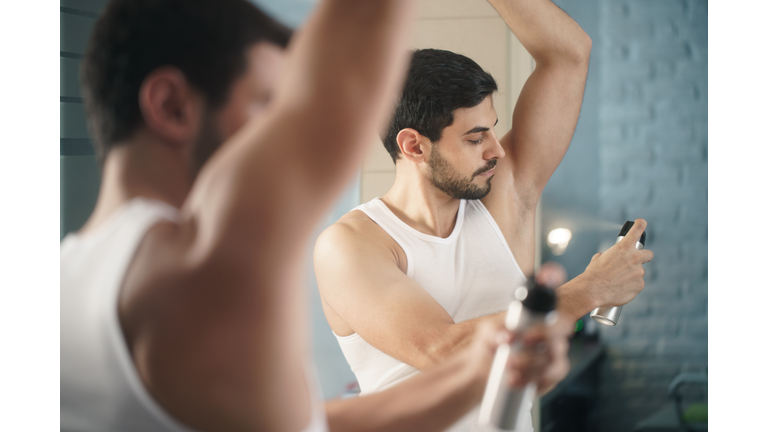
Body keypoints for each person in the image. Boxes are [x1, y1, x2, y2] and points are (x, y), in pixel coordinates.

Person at [60, 1, 569, 432]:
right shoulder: (192, 271)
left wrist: (481, 368)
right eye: (265, 105)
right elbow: (346, 67)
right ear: (171, 107)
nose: (276, 129)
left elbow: (309, 425)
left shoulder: (64, 283)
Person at [313, 0, 655, 431]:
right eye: (476, 138)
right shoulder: (351, 244)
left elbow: (569, 54)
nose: (497, 149)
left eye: (492, 127)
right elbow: (442, 350)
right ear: (414, 146)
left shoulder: (505, 196)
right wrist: (590, 289)